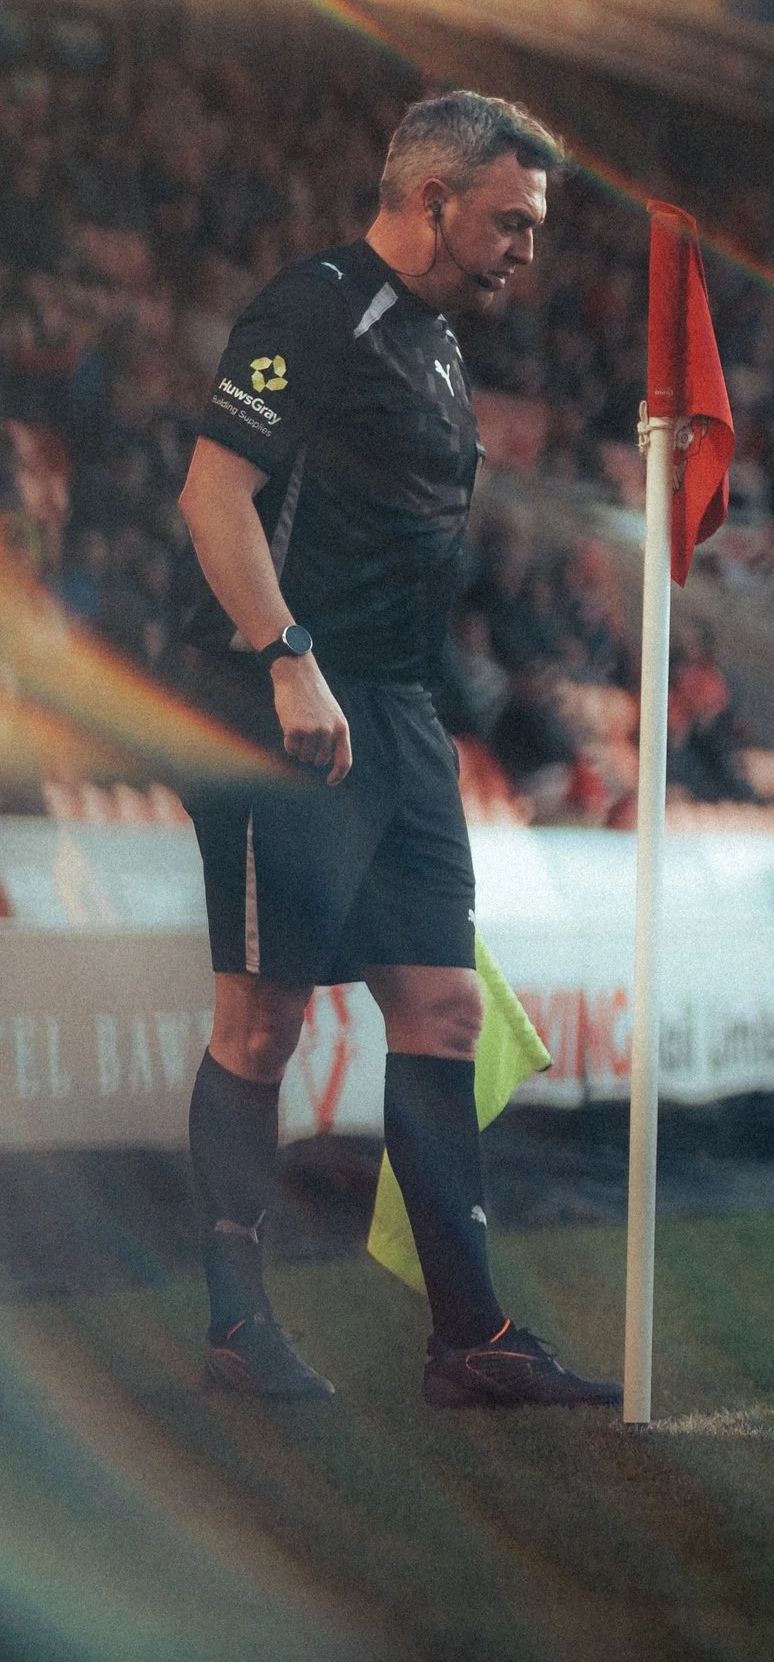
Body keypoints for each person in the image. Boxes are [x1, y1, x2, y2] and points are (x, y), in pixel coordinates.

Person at [173, 88, 617, 1409]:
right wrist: (289, 659)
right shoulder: (314, 306)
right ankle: (236, 1326)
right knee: (263, 1022)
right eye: (509, 220)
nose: (527, 248)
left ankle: (468, 1338)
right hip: (282, 706)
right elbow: (214, 492)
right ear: (431, 199)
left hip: (403, 715)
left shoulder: (433, 342)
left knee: (443, 1009)